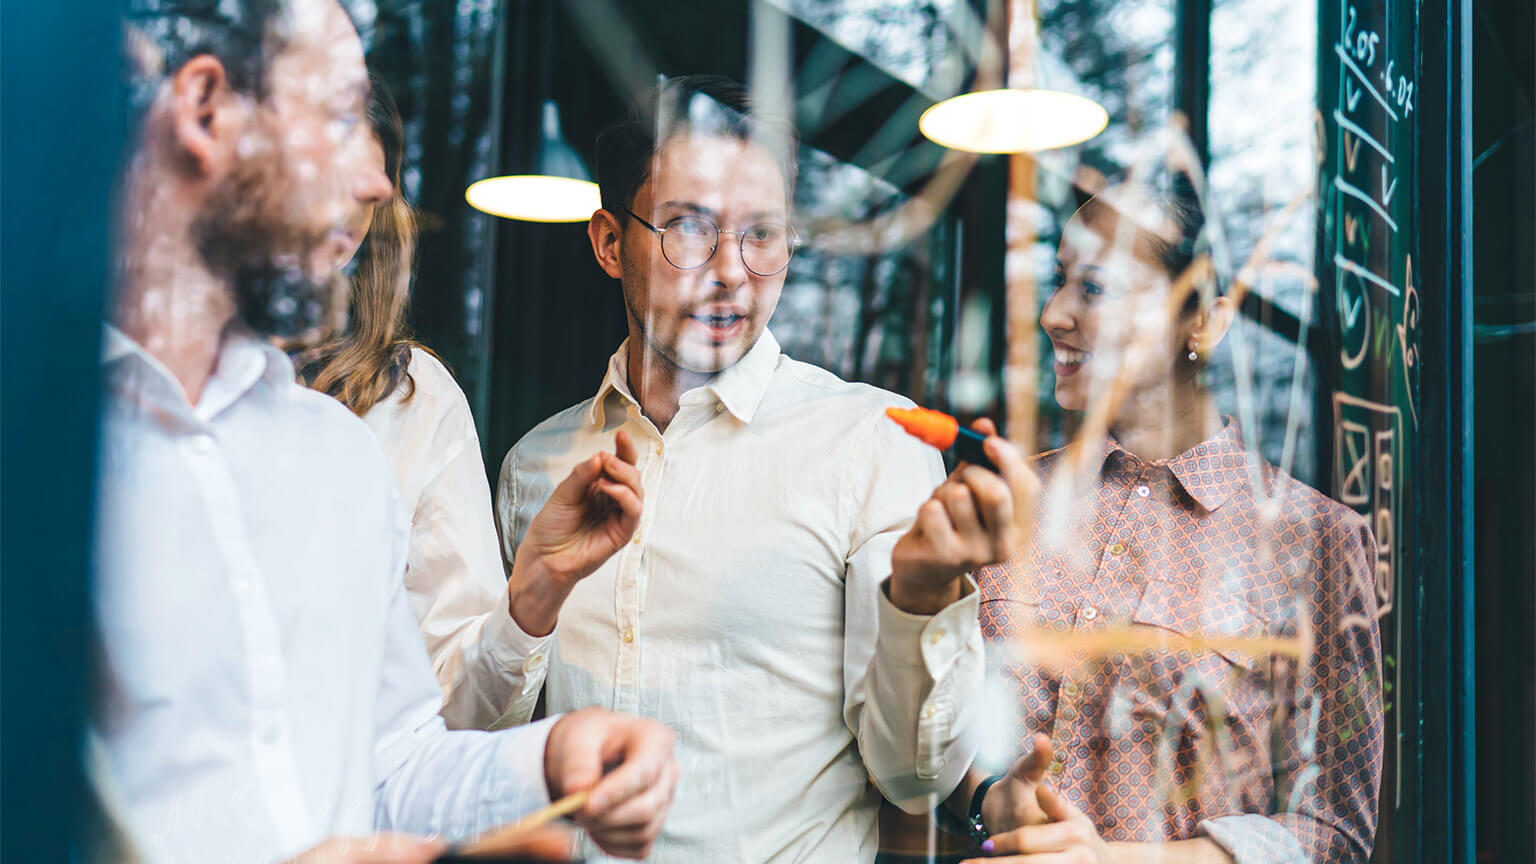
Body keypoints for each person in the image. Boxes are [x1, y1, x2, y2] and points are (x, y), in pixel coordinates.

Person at [95, 2, 675, 861]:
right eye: (337, 116)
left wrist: (546, 760)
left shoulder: (333, 457)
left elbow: (388, 760)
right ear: (206, 108)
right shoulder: (46, 436)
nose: (375, 180)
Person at [490, 75, 1039, 862]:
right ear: (610, 242)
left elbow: (912, 778)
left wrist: (922, 594)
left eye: (763, 235)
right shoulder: (535, 467)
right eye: (688, 228)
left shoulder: (869, 442)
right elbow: (486, 743)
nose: (730, 272)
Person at [947, 174, 1383, 863]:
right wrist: (984, 799)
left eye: (1096, 287)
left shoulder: (1316, 541)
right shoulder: (1003, 494)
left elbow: (1333, 831)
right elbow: (921, 738)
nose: (1055, 312)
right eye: (1060, 280)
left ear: (1201, 321)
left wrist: (1111, 860)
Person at [291, 80, 638, 733]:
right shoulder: (125, 373)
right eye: (327, 160)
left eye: (374, 176)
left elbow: (456, 714)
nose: (365, 189)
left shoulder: (409, 398)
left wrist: (536, 592)